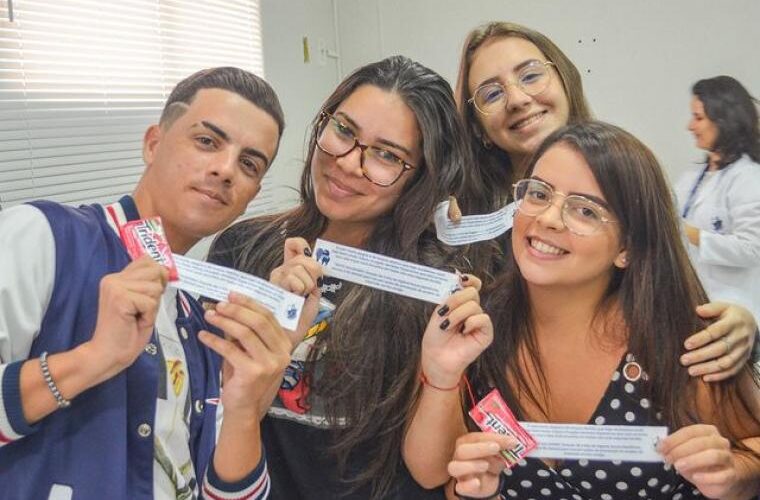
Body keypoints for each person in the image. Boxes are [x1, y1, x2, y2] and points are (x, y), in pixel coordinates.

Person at [408, 121, 760, 499]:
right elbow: (434, 474)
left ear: (627, 248)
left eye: (585, 211)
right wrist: (442, 375)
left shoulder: (679, 342)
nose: (548, 218)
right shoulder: (478, 327)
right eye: (539, 193)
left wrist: (734, 475)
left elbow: (751, 449)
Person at [0, 67, 291, 500]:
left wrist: (246, 407)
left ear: (252, 194)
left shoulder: (202, 323)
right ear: (153, 143)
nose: (226, 169)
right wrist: (93, 359)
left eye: (249, 164)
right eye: (207, 141)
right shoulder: (42, 237)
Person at [205, 55, 485, 499]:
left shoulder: (434, 283)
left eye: (387, 155)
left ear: (421, 178)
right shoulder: (243, 247)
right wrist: (272, 334)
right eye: (344, 130)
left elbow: (431, 473)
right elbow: (212, 423)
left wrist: (442, 371)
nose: (350, 163)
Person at [450, 21, 757, 382]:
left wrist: (741, 322)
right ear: (478, 128)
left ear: (565, 79)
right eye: (491, 94)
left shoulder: (635, 182)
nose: (517, 99)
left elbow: (689, 296)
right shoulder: (461, 218)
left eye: (530, 75)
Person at [675, 76, 760, 335]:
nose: (690, 126)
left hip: (732, 313)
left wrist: (690, 233)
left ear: (724, 119)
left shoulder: (749, 178)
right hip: (688, 306)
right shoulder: (692, 177)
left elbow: (752, 249)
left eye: (698, 118)